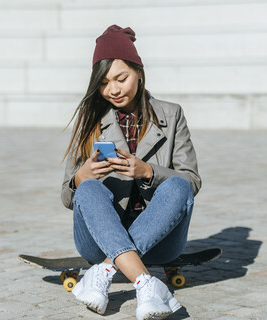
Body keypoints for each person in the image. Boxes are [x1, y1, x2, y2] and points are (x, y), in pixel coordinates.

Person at [61, 25, 201, 320]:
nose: (113, 89)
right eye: (104, 83)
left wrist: (148, 171)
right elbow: (66, 194)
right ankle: (146, 285)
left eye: (121, 78)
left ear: (139, 71)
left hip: (160, 242)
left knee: (178, 186)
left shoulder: (172, 115)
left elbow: (192, 181)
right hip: (99, 240)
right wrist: (81, 175)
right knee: (87, 188)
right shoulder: (92, 120)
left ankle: (106, 271)